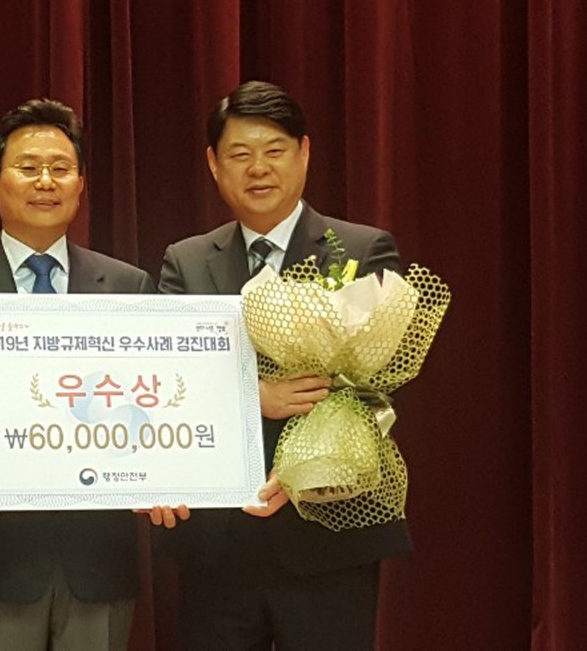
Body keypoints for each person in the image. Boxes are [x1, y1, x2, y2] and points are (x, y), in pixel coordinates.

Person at [156, 81, 412, 650]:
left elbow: (383, 379)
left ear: (304, 153)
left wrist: (306, 464)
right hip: (219, 542)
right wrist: (253, 397)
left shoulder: (361, 249)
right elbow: (172, 381)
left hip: (329, 533)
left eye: (274, 150)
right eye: (240, 154)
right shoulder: (186, 261)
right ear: (214, 164)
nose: (258, 168)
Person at [0, 99, 155, 650]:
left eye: (60, 168)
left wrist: (164, 472)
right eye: (28, 167)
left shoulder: (127, 286)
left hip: (97, 563)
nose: (45, 181)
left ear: (81, 184)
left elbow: (147, 405)